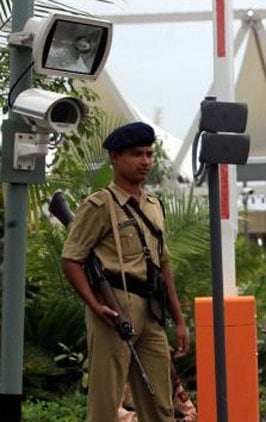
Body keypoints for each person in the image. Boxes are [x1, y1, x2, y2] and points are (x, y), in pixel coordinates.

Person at [62, 122, 190, 421]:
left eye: (149, 154)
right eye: (136, 154)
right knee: (106, 404)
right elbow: (71, 259)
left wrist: (180, 321)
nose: (145, 161)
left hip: (151, 309)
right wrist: (95, 305)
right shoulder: (99, 204)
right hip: (114, 304)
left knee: (160, 402)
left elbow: (164, 263)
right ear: (115, 158)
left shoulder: (154, 205)